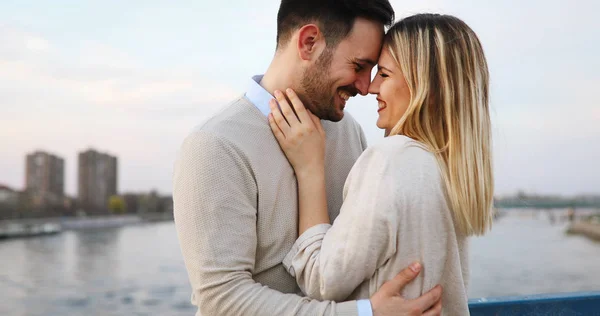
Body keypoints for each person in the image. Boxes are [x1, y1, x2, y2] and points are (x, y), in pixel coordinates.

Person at [173, 1, 443, 316]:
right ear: (309, 43)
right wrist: (365, 313)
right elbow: (223, 299)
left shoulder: (349, 132)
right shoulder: (215, 145)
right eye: (358, 66)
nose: (366, 86)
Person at [268, 13, 494, 315]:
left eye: (384, 75)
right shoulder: (449, 170)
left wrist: (310, 169)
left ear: (424, 88)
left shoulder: (391, 158)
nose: (370, 87)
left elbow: (322, 280)